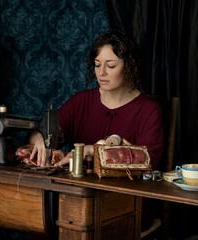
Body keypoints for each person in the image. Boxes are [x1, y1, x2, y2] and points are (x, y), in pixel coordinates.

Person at [29, 30, 163, 170]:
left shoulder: (149, 110)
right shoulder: (80, 102)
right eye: (97, 65)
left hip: (125, 190)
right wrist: (40, 138)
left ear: (129, 67)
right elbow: (44, 135)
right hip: (77, 189)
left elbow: (149, 160)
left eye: (110, 66)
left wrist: (91, 150)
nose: (101, 72)